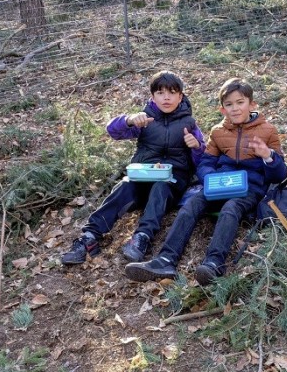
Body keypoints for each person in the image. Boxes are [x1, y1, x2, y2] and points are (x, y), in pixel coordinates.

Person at [125, 77, 287, 285]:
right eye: (229, 104)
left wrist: (268, 156)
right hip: (220, 184)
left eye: (240, 102)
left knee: (231, 208)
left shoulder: (268, 131)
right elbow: (206, 162)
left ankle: (213, 263)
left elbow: (280, 175)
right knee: (193, 204)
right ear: (222, 109)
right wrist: (210, 178)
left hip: (249, 188)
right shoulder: (218, 132)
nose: (235, 108)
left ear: (252, 104)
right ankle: (165, 260)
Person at [61, 71, 206, 265]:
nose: (166, 98)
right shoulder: (144, 119)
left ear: (180, 96)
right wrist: (128, 120)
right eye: (160, 93)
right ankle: (89, 237)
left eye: (172, 93)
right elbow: (112, 131)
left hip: (172, 181)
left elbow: (202, 159)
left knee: (161, 186)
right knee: (125, 186)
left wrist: (196, 146)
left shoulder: (189, 123)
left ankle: (142, 237)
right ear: (152, 96)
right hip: (143, 175)